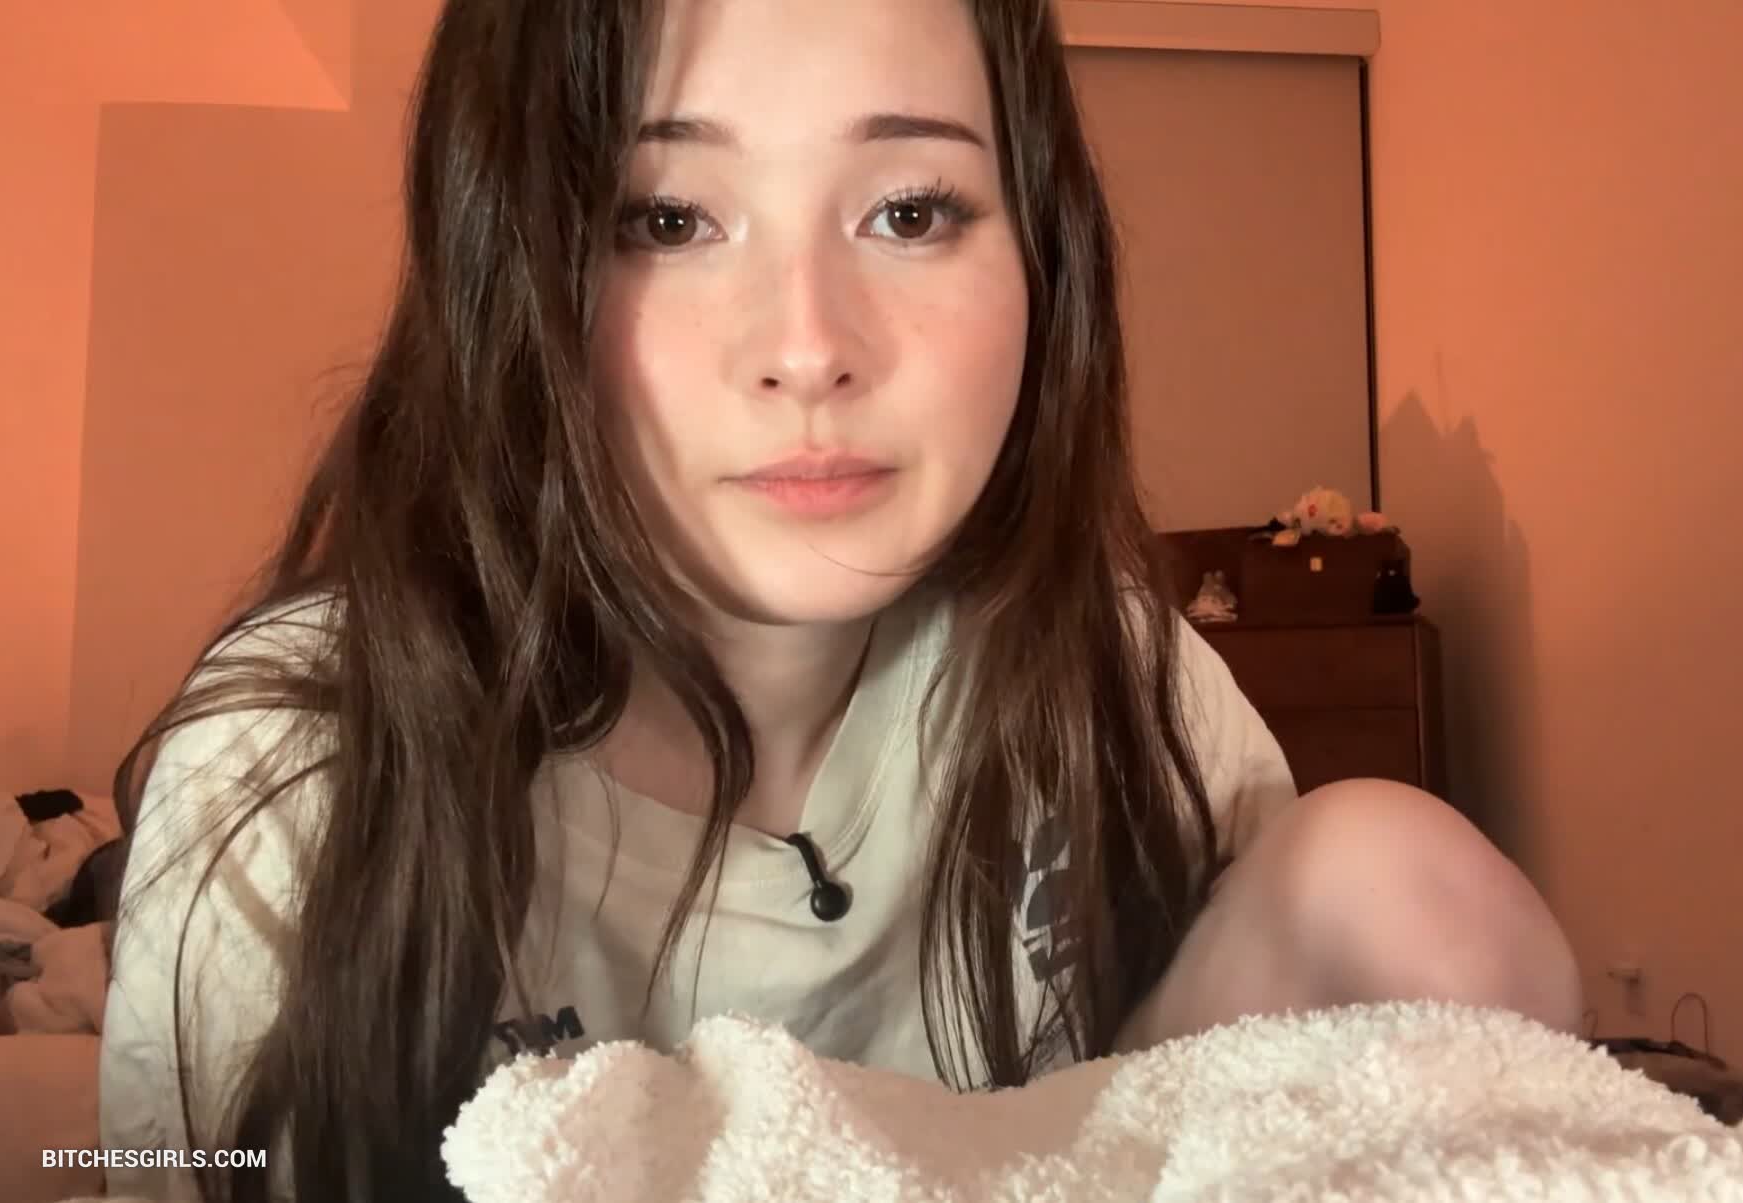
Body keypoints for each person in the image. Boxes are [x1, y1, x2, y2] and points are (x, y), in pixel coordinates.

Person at [97, 0, 1585, 1200]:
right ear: (506, 261)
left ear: (1041, 251)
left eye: (912, 212)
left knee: (1410, 885)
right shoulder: (301, 758)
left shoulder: (1105, 668)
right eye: (664, 219)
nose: (808, 348)